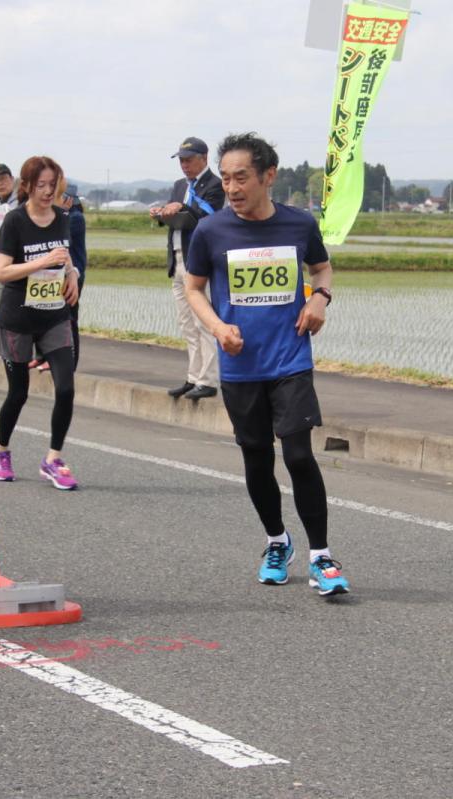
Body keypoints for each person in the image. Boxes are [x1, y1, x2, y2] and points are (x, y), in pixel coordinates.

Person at [184, 132, 349, 597]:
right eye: (226, 179)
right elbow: (194, 287)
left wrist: (320, 298)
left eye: (242, 178)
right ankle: (277, 541)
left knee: (298, 455)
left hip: (290, 358)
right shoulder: (211, 230)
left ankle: (322, 556)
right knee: (256, 458)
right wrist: (218, 328)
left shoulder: (298, 225)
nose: (232, 188)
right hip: (240, 366)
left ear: (268, 177)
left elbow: (322, 269)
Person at [0, 155, 81, 490]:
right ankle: (1, 450)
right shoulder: (14, 221)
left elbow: (65, 256)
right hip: (18, 316)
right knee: (18, 393)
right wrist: (42, 261)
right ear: (26, 186)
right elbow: (2, 271)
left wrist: (71, 275)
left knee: (67, 388)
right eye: (40, 185)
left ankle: (53, 459)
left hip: (54, 314)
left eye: (52, 184)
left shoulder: (62, 218)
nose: (47, 191)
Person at [152, 136, 225, 401]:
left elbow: (206, 214)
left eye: (189, 160)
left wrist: (180, 207)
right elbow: (176, 218)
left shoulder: (215, 185)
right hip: (177, 257)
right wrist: (162, 213)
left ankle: (208, 380)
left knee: (203, 320)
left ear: (204, 158)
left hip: (199, 260)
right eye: (181, 160)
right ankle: (193, 377)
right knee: (186, 323)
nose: (184, 165)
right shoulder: (179, 185)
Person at [56, 188, 87, 368]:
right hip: (61, 274)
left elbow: (61, 237)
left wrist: (62, 214)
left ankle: (72, 362)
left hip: (74, 274)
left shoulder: (74, 218)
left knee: (69, 318)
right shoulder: (65, 216)